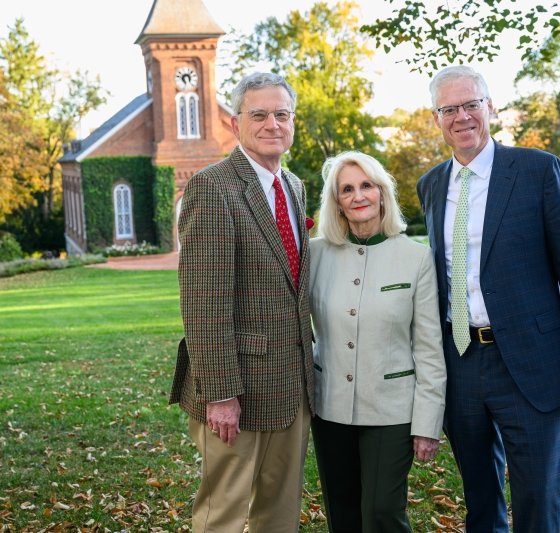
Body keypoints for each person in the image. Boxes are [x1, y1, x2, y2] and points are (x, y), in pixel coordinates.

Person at [416, 65, 560, 532]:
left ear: (490, 107)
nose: (461, 116)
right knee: (480, 500)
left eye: (470, 104)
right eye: (449, 108)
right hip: (459, 360)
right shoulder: (431, 185)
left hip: (531, 361)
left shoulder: (538, 170)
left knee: (538, 499)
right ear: (436, 117)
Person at [168, 72, 315, 533]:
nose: (272, 124)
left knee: (280, 512)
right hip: (237, 390)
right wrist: (221, 394)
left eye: (282, 114)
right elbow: (204, 301)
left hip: (292, 385)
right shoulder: (213, 188)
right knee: (223, 516)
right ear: (236, 123)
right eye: (259, 114)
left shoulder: (292, 185)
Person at [309, 151, 446, 533]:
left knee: (382, 512)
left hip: (393, 410)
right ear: (336, 201)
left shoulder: (416, 258)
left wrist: (428, 423)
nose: (358, 195)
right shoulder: (315, 254)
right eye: (347, 189)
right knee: (343, 513)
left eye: (366, 185)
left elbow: (429, 348)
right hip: (329, 405)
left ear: (382, 192)